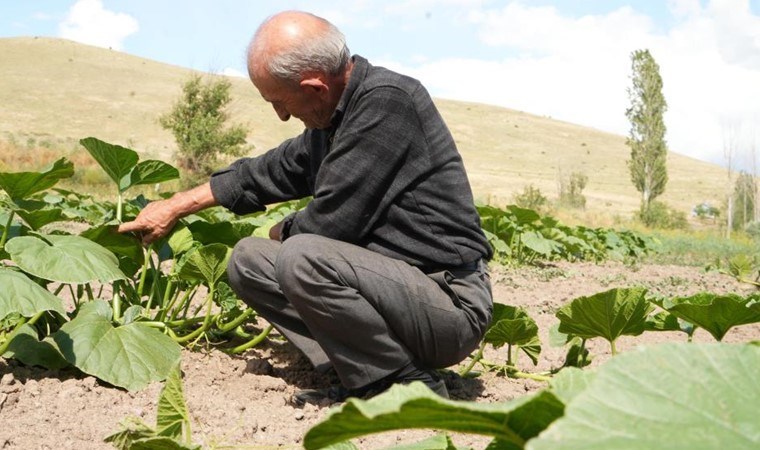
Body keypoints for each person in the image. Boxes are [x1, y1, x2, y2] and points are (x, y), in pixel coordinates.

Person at [119, 10, 493, 405]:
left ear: (315, 87)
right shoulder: (330, 121)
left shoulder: (389, 103)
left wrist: (285, 229)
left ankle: (402, 384)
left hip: (446, 303)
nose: (281, 115)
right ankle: (362, 372)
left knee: (301, 253)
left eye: (279, 101)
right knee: (249, 260)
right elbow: (264, 173)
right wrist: (175, 206)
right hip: (395, 295)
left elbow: (334, 221)